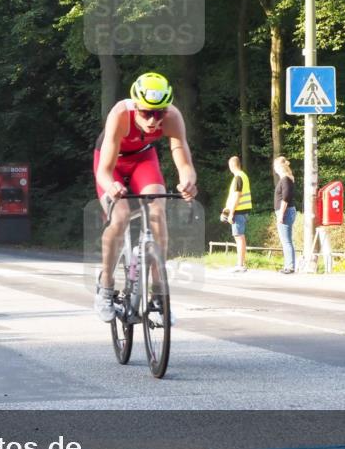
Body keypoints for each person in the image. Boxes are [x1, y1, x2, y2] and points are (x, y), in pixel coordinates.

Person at [93, 72, 197, 323]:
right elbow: (103, 172)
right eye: (146, 113)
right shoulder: (120, 114)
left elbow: (184, 161)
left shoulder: (172, 117)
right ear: (136, 106)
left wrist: (188, 180)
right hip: (112, 164)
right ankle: (106, 286)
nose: (153, 120)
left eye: (159, 113)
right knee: (120, 218)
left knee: (158, 213)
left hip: (143, 160)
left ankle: (159, 294)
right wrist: (112, 186)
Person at [220, 156, 252, 272]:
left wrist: (231, 213)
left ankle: (240, 264)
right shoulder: (243, 176)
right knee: (239, 237)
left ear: (231, 165)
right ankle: (241, 263)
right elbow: (233, 197)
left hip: (239, 211)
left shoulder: (238, 177)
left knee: (239, 237)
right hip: (242, 211)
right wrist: (226, 211)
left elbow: (236, 196)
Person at [273, 156, 297, 274]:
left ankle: (290, 266)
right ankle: (289, 265)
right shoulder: (286, 179)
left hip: (285, 211)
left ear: (279, 167)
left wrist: (281, 214)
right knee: (286, 240)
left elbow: (285, 198)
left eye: (275, 166)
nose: (274, 168)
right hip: (286, 211)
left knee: (286, 241)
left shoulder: (286, 180)